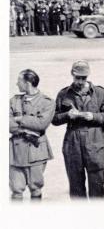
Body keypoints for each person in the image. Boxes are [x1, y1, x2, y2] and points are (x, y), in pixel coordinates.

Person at [52, 61, 104, 199]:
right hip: (73, 141)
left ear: (88, 76)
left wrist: (94, 116)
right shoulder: (64, 94)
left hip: (95, 140)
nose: (80, 81)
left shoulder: (100, 92)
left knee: (97, 185)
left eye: (83, 78)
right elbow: (54, 119)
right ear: (72, 75)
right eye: (77, 78)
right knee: (76, 186)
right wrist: (67, 115)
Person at [9, 69, 55, 200]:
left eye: (19, 81)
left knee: (36, 188)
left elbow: (41, 124)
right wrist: (25, 130)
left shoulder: (48, 102)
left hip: (36, 151)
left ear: (27, 83)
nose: (17, 84)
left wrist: (19, 119)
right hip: (15, 152)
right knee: (16, 190)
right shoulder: (13, 101)